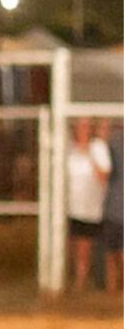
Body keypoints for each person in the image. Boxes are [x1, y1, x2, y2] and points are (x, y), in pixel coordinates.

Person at [67, 117, 112, 292]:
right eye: (80, 126)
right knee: (74, 247)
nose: (82, 130)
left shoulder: (98, 148)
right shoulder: (69, 149)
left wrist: (90, 155)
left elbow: (103, 176)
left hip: (92, 209)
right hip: (72, 207)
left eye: (86, 126)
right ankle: (76, 280)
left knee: (85, 248)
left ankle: (82, 282)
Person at [103, 123, 123, 295]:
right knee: (112, 252)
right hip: (114, 209)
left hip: (114, 209)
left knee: (115, 253)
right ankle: (112, 290)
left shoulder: (112, 144)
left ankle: (114, 290)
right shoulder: (112, 144)